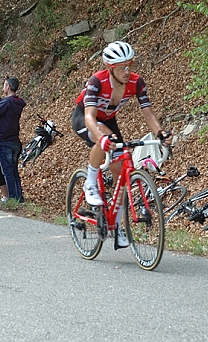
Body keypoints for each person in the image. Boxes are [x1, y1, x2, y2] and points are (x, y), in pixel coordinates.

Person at [71, 40, 173, 247]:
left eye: (130, 65)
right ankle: (90, 182)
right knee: (106, 137)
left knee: (121, 173)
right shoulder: (97, 81)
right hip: (84, 118)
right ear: (111, 68)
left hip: (108, 119)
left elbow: (148, 113)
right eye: (122, 67)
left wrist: (160, 133)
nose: (127, 71)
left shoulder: (136, 83)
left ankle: (116, 227)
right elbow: (90, 117)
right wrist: (100, 137)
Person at [0, 77, 26, 202]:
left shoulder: (7, 103)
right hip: (15, 141)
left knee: (7, 171)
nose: (3, 87)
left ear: (8, 86)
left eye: (4, 85)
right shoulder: (17, 102)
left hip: (5, 140)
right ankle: (19, 197)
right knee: (14, 171)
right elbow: (7, 105)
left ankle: (13, 198)